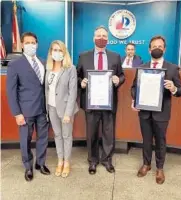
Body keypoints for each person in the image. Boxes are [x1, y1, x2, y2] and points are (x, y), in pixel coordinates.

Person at [131, 35, 181, 184]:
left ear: (164, 49)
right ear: (149, 49)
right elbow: (134, 87)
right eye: (154, 46)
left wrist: (173, 88)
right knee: (146, 140)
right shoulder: (142, 67)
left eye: (160, 47)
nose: (157, 49)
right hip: (145, 112)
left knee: (160, 140)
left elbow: (180, 91)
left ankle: (159, 168)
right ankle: (146, 164)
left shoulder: (172, 68)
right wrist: (134, 99)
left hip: (162, 113)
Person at [77, 26, 125, 174]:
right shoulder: (83, 56)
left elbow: (122, 75)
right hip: (91, 102)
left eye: (104, 36)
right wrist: (81, 82)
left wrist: (118, 80)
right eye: (99, 35)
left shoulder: (115, 56)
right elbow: (77, 76)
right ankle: (92, 161)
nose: (101, 38)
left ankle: (107, 160)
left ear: (108, 39)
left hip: (108, 102)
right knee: (91, 133)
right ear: (93, 38)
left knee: (108, 133)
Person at [6, 32, 50, 182]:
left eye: (33, 42)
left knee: (43, 138)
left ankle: (40, 163)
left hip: (43, 109)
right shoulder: (15, 64)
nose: (31, 45)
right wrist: (16, 113)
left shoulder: (43, 62)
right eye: (28, 42)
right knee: (25, 139)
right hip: (25, 111)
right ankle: (28, 166)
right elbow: (11, 91)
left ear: (37, 44)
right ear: (22, 45)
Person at [45, 40, 78, 178]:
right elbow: (47, 90)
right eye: (54, 50)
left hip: (65, 110)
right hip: (51, 108)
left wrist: (68, 113)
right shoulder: (48, 68)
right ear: (50, 52)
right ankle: (59, 160)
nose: (56, 53)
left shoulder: (70, 68)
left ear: (64, 52)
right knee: (57, 135)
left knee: (66, 136)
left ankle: (67, 162)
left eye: (59, 50)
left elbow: (73, 92)